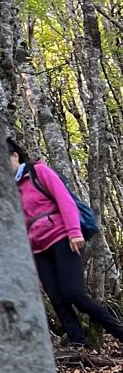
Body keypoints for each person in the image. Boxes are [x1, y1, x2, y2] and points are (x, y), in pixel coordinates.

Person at [10, 136, 123, 352]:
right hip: (37, 249)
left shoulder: (38, 171)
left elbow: (64, 199)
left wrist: (73, 232)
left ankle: (118, 332)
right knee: (57, 299)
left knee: (73, 293)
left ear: (15, 155)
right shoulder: (9, 189)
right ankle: (78, 344)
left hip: (62, 237)